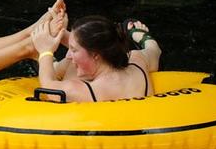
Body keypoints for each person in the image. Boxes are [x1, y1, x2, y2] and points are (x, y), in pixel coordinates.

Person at [31, 14, 162, 102]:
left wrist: (45, 51)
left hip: (102, 139)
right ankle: (62, 36)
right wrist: (145, 38)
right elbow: (155, 51)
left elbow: (49, 87)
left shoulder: (92, 91)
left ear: (95, 54)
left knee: (69, 64)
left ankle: (52, 63)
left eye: (74, 49)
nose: (68, 54)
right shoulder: (137, 61)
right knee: (150, 48)